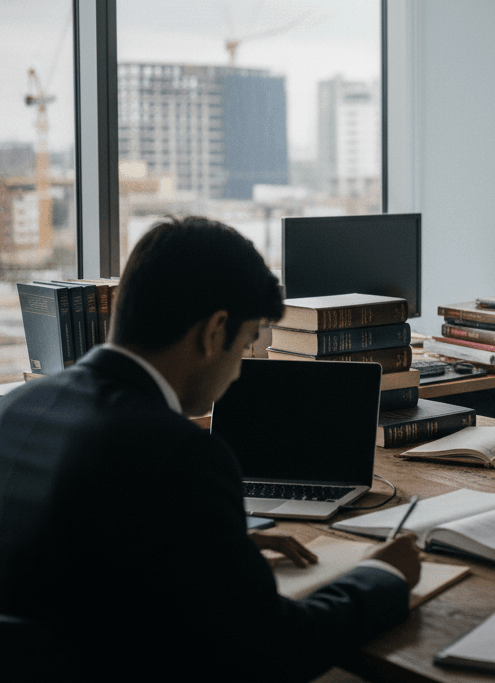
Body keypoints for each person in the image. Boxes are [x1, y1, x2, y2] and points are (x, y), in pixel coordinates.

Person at [0, 217, 420, 682]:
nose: (238, 373)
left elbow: (68, 556)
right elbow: (275, 651)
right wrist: (383, 577)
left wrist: (210, 549)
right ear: (214, 332)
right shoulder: (180, 455)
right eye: (244, 345)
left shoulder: (14, 408)